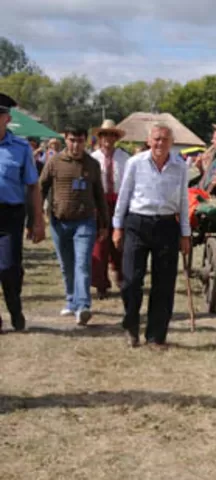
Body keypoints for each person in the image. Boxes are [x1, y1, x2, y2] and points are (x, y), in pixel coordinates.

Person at [113, 123, 190, 348]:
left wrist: (185, 233)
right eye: (156, 139)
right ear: (148, 141)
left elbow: (184, 202)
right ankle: (131, 327)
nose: (160, 144)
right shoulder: (135, 163)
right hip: (137, 222)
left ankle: (156, 335)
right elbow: (124, 195)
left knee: (164, 284)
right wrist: (117, 226)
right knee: (130, 281)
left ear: (171, 143)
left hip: (167, 225)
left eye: (165, 140)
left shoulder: (180, 166)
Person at [40, 126, 108, 325]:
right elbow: (41, 187)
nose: (76, 145)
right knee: (67, 264)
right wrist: (36, 217)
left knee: (82, 264)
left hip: (85, 222)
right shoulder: (54, 162)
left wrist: (104, 223)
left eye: (79, 140)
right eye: (72, 140)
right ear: (65, 139)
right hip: (59, 221)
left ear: (86, 140)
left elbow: (99, 196)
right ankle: (71, 299)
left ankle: (83, 306)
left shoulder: (92, 165)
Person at [0, 93, 46, 332]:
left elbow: (33, 186)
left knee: (8, 268)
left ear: (7, 118)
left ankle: (15, 308)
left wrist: (38, 220)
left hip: (10, 215)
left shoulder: (20, 148)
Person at [90, 119, 130, 298]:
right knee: (100, 242)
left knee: (120, 241)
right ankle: (100, 283)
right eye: (105, 135)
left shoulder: (125, 158)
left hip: (120, 202)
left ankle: (121, 276)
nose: (108, 138)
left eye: (112, 135)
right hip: (99, 203)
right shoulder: (92, 158)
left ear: (116, 138)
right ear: (100, 137)